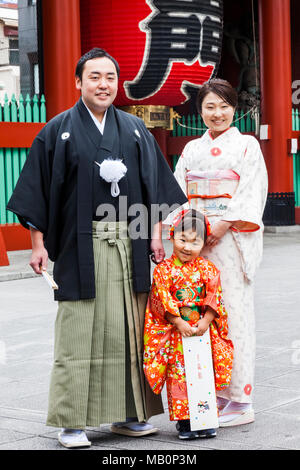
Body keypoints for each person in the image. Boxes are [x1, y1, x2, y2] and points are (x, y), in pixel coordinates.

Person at [7, 48, 187, 448]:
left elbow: (154, 185)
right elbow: (36, 192)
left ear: (117, 83)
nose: (103, 84)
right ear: (78, 82)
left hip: (131, 243)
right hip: (78, 246)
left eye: (110, 77)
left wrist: (156, 235)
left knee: (131, 329)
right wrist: (38, 245)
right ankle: (72, 421)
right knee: (78, 331)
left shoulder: (135, 129)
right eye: (94, 77)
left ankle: (129, 415)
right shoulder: (58, 130)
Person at [171, 79, 268, 427]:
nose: (217, 113)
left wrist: (222, 225)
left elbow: (251, 191)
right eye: (210, 107)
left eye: (224, 106)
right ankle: (211, 393)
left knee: (233, 314)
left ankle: (241, 399)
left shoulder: (246, 146)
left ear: (234, 109)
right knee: (199, 313)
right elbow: (178, 191)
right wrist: (189, 230)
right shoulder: (192, 150)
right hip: (196, 243)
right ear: (200, 111)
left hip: (229, 241)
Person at [143, 209, 233, 440]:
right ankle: (185, 423)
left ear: (204, 244)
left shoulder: (207, 268)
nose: (187, 247)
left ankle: (206, 419)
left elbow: (215, 296)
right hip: (177, 333)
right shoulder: (164, 270)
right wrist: (177, 320)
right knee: (179, 376)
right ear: (172, 236)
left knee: (203, 373)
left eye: (195, 242)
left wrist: (206, 320)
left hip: (203, 331)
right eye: (182, 239)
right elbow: (161, 298)